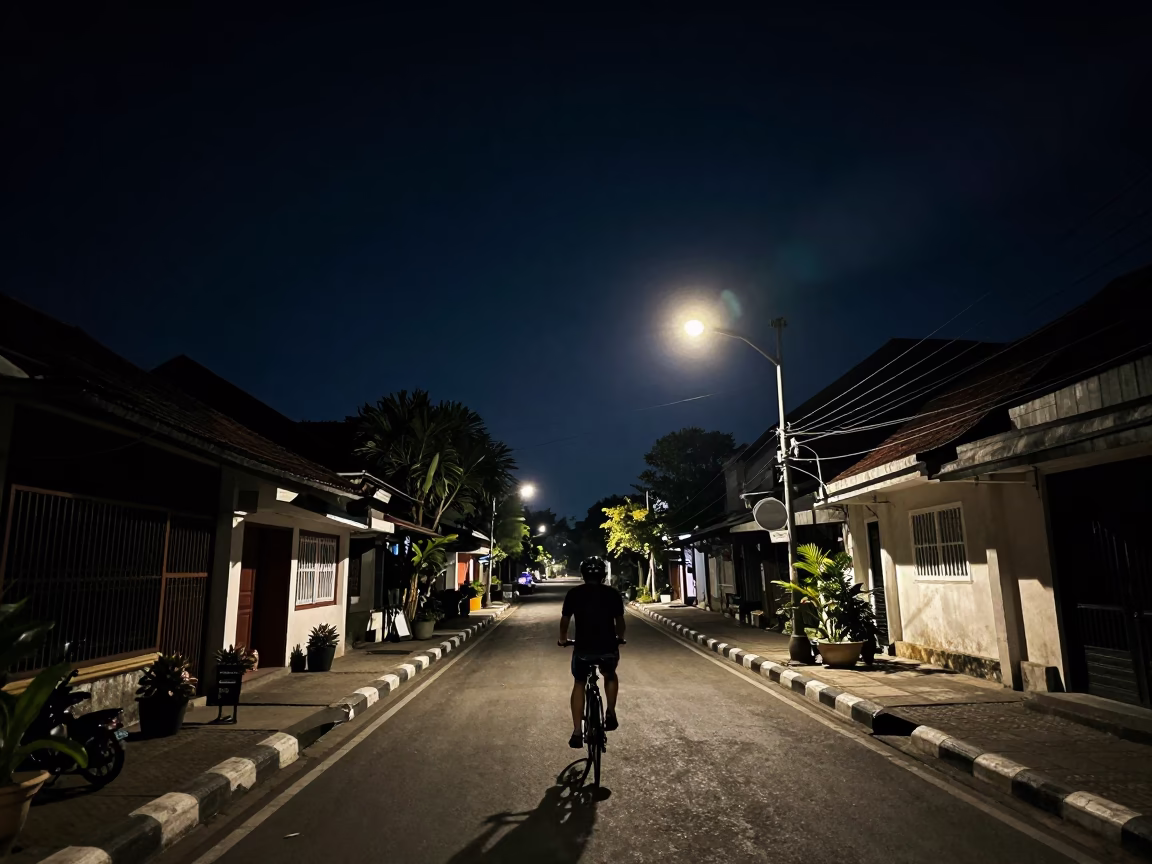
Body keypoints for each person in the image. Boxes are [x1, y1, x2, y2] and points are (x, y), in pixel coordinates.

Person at [558, 556, 625, 749]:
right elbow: (620, 622)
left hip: (583, 648)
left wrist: (563, 640)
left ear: (583, 574)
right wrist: (620, 638)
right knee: (610, 675)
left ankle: (577, 732)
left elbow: (565, 621)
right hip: (608, 647)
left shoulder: (574, 594)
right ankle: (610, 712)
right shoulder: (612, 594)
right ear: (603, 574)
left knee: (579, 682)